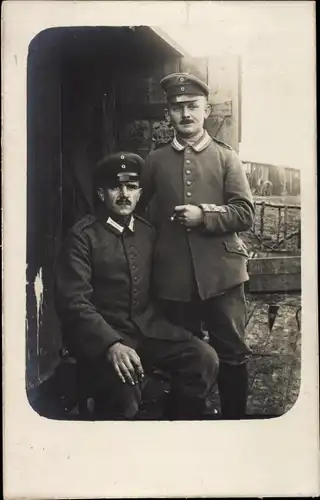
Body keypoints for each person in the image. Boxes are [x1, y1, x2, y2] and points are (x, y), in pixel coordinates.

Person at [54, 151, 219, 420]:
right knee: (124, 390)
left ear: (140, 194)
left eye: (131, 187)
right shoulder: (83, 237)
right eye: (115, 187)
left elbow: (166, 285)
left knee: (203, 358)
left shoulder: (148, 232)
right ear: (101, 194)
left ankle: (179, 426)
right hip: (103, 339)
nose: (124, 194)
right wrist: (111, 345)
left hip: (148, 330)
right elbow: (74, 302)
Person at [139, 73, 255, 419]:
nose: (185, 114)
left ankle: (235, 422)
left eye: (192, 106)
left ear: (206, 110)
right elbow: (140, 213)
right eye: (177, 108)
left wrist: (204, 215)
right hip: (173, 278)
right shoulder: (155, 160)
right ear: (168, 115)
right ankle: (191, 421)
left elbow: (245, 213)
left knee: (232, 351)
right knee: (187, 353)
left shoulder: (225, 158)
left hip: (222, 276)